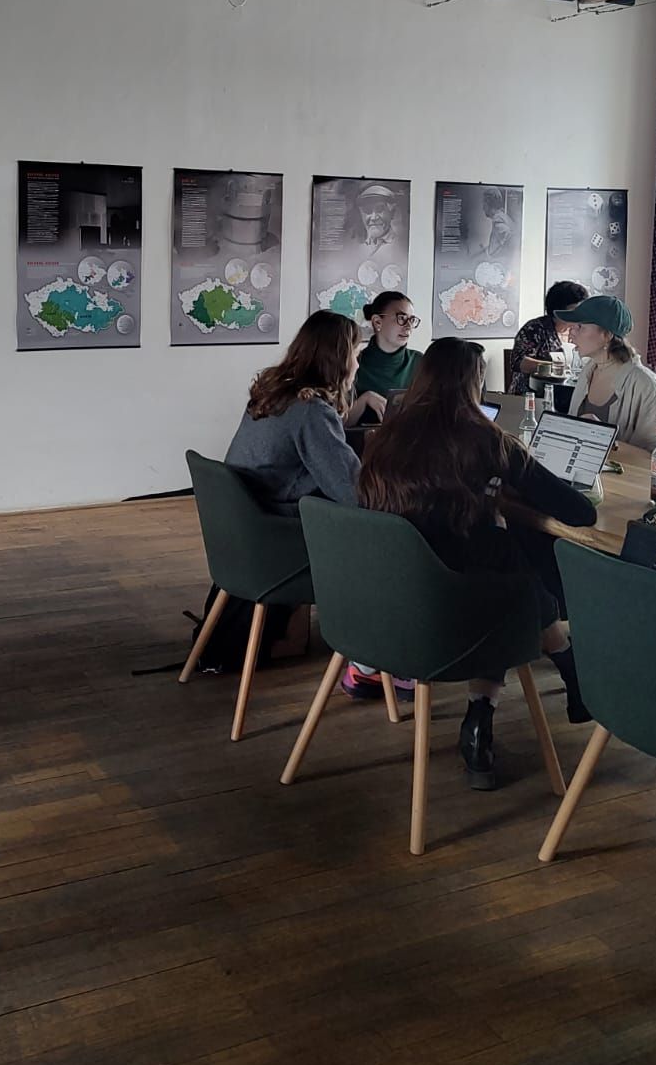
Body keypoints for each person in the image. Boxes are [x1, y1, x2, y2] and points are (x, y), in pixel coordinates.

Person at [355, 338, 595, 789]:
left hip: (387, 603)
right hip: (455, 614)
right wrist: (504, 491)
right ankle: (510, 700)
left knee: (503, 567)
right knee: (509, 573)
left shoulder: (386, 436)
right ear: (474, 384)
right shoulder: (486, 439)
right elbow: (579, 512)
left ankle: (555, 680)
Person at [225, 312, 363, 516]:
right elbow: (352, 493)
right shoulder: (311, 410)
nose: (358, 365)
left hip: (245, 512)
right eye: (356, 355)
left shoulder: (270, 394)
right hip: (276, 519)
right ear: (338, 360)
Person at [558, 295, 656, 455]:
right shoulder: (588, 371)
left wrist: (606, 439)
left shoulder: (646, 385)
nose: (571, 334)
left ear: (607, 335)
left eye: (580, 326)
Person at [509, 280, 588, 393]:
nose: (578, 314)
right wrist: (554, 366)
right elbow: (517, 362)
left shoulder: (580, 329)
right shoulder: (535, 328)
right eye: (574, 309)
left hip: (568, 391)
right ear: (559, 309)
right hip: (532, 393)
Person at [353, 291, 422, 406]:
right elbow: (338, 415)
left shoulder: (419, 361)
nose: (409, 326)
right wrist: (365, 399)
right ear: (377, 322)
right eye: (402, 318)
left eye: (411, 320)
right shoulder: (354, 364)